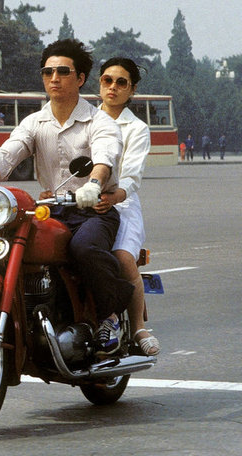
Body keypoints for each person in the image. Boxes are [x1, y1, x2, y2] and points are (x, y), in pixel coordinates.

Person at [0, 39, 134, 355]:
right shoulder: (35, 122)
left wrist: (93, 184)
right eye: (48, 72)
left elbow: (105, 155)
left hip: (92, 210)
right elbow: (8, 154)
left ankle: (110, 318)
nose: (54, 78)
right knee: (5, 246)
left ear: (80, 78)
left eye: (63, 71)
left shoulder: (99, 121)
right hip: (50, 210)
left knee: (84, 247)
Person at [93, 57, 160, 356]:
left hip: (122, 203)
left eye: (121, 83)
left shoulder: (137, 128)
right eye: (107, 80)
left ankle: (137, 327)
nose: (113, 87)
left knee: (121, 256)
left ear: (131, 90)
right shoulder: (85, 120)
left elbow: (131, 176)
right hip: (83, 201)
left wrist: (113, 197)